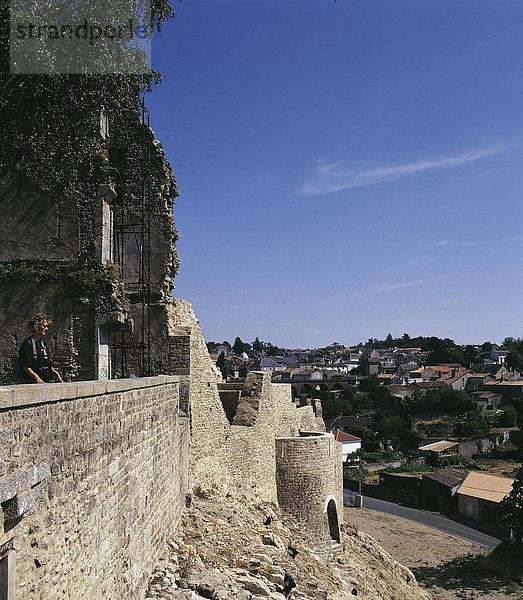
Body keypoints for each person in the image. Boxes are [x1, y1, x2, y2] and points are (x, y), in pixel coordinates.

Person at [17, 313, 64, 384]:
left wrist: (55, 373)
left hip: (45, 382)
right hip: (32, 383)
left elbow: (45, 363)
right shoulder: (27, 344)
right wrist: (37, 378)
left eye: (47, 326)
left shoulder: (43, 343)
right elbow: (25, 366)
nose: (46, 329)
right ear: (36, 326)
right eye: (44, 326)